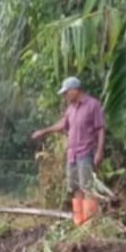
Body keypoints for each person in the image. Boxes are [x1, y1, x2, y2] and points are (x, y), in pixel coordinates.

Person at [31, 76, 105, 223]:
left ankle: (90, 222)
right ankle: (80, 220)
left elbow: (101, 129)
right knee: (76, 187)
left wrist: (99, 151)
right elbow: (62, 125)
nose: (65, 96)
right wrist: (44, 131)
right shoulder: (71, 108)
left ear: (75, 90)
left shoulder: (93, 105)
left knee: (88, 187)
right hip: (72, 154)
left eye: (66, 93)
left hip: (86, 152)